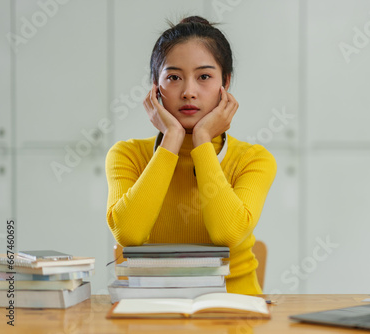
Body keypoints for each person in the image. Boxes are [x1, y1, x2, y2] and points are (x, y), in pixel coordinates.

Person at [105, 16, 277, 294]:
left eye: (204, 77)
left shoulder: (253, 159)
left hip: (233, 312)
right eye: (173, 77)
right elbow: (129, 234)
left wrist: (201, 141)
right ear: (155, 87)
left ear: (226, 83)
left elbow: (227, 234)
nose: (188, 92)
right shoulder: (127, 155)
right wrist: (172, 139)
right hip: (152, 309)